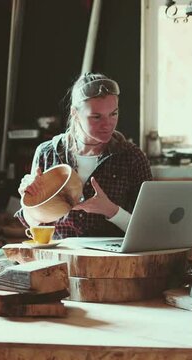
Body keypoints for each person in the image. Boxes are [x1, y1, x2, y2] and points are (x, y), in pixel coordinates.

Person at [16, 73, 152, 239]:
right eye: (96, 117)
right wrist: (30, 199)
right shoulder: (48, 153)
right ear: (74, 113)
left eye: (113, 114)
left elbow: (149, 230)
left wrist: (110, 210)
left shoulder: (132, 157)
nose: (108, 124)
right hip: (61, 258)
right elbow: (33, 223)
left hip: (112, 261)